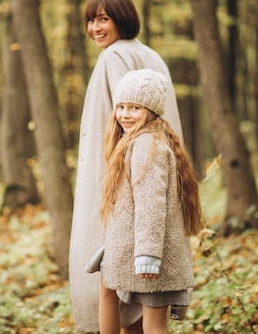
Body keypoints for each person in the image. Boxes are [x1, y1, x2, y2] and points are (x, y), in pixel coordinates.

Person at [69, 0, 185, 333]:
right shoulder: (152, 55)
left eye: (103, 19)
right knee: (135, 284)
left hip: (122, 179)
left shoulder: (113, 56)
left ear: (122, 18)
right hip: (155, 172)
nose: (95, 27)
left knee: (111, 278)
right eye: (91, 20)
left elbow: (121, 123)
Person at [97, 69, 203, 334]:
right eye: (121, 106)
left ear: (152, 111)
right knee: (107, 292)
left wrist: (148, 254)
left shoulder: (147, 144)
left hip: (148, 253)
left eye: (135, 108)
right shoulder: (138, 140)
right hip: (129, 249)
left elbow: (151, 203)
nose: (125, 114)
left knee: (155, 325)